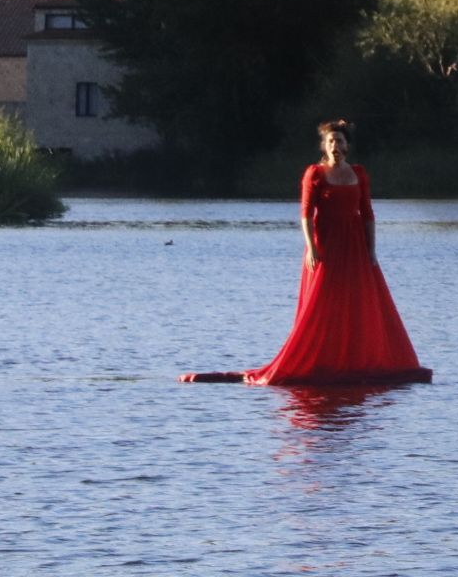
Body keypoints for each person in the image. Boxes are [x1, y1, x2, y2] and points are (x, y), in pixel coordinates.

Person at [182, 120, 430, 387]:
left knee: (358, 302)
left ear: (348, 146)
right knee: (324, 303)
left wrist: (372, 252)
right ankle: (321, 360)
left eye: (340, 141)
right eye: (331, 141)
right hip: (325, 246)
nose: (336, 145)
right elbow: (305, 215)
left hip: (355, 247)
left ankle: (353, 360)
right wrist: (312, 249)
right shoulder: (315, 173)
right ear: (324, 146)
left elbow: (368, 215)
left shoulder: (359, 173)